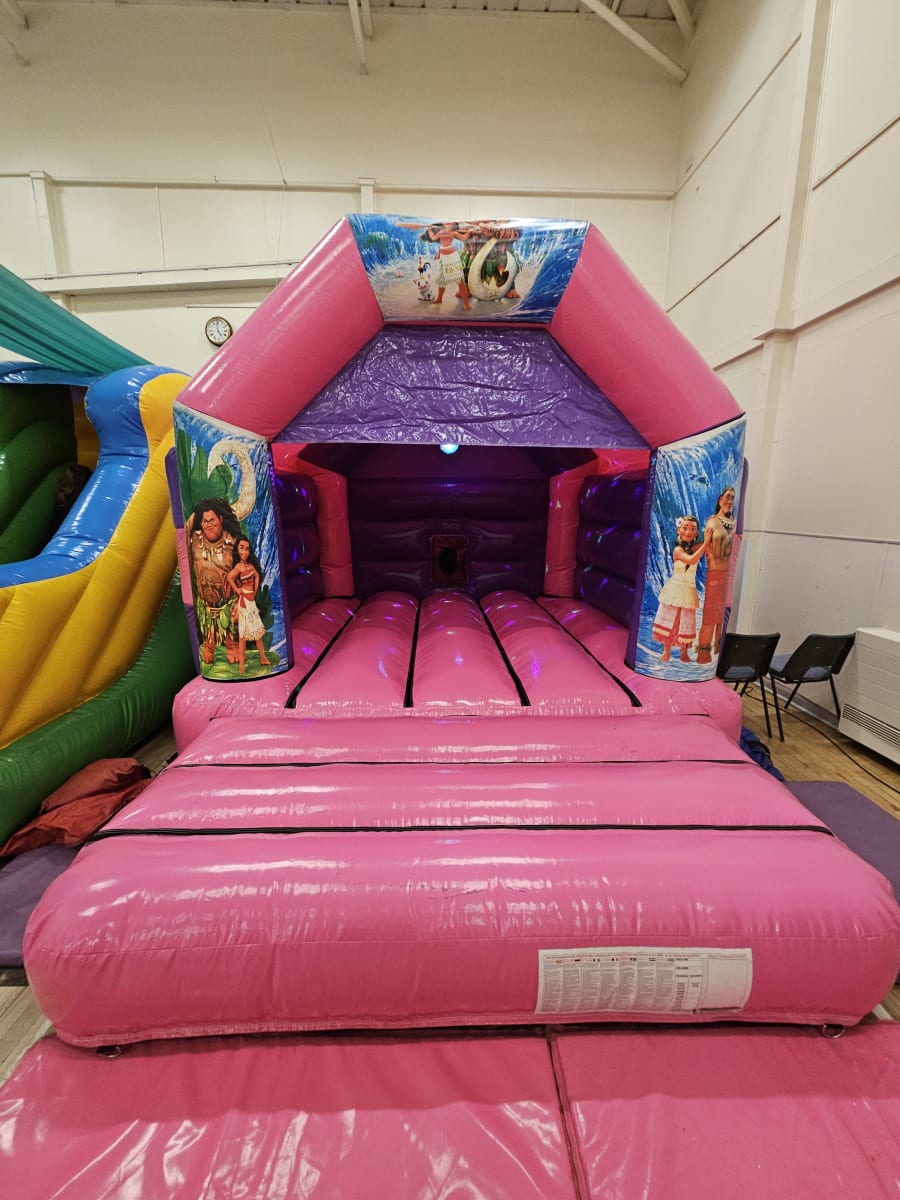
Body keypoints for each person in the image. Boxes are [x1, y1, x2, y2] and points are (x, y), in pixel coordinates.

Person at [187, 497, 240, 665]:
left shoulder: (234, 542)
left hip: (228, 604)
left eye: (212, 520)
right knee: (208, 649)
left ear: (221, 519)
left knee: (232, 634)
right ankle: (209, 646)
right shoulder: (195, 540)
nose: (209, 525)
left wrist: (241, 602)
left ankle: (232, 645)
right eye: (205, 521)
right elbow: (184, 527)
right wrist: (200, 510)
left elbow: (246, 572)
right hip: (206, 606)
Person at [652, 515, 711, 663]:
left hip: (689, 589)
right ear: (679, 530)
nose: (688, 532)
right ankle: (666, 651)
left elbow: (707, 545)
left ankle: (684, 652)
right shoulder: (678, 550)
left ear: (696, 533)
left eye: (693, 529)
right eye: (685, 528)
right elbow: (692, 559)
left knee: (686, 621)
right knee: (670, 619)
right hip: (676, 588)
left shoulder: (694, 547)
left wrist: (710, 537)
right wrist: (705, 544)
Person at [696, 486, 737, 665]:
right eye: (727, 497)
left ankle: (714, 651)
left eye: (733, 498)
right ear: (720, 500)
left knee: (719, 615)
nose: (730, 501)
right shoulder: (713, 522)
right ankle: (702, 654)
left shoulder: (731, 523)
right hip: (714, 574)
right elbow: (713, 549)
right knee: (710, 616)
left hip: (725, 575)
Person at [226, 535, 271, 675]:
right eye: (242, 548)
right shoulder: (238, 567)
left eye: (247, 549)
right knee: (243, 636)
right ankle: (241, 666)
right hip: (244, 603)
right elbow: (229, 577)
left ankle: (263, 658)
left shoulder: (250, 566)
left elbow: (256, 576)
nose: (245, 552)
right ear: (237, 550)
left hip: (251, 602)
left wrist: (255, 591)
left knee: (257, 632)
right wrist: (238, 590)